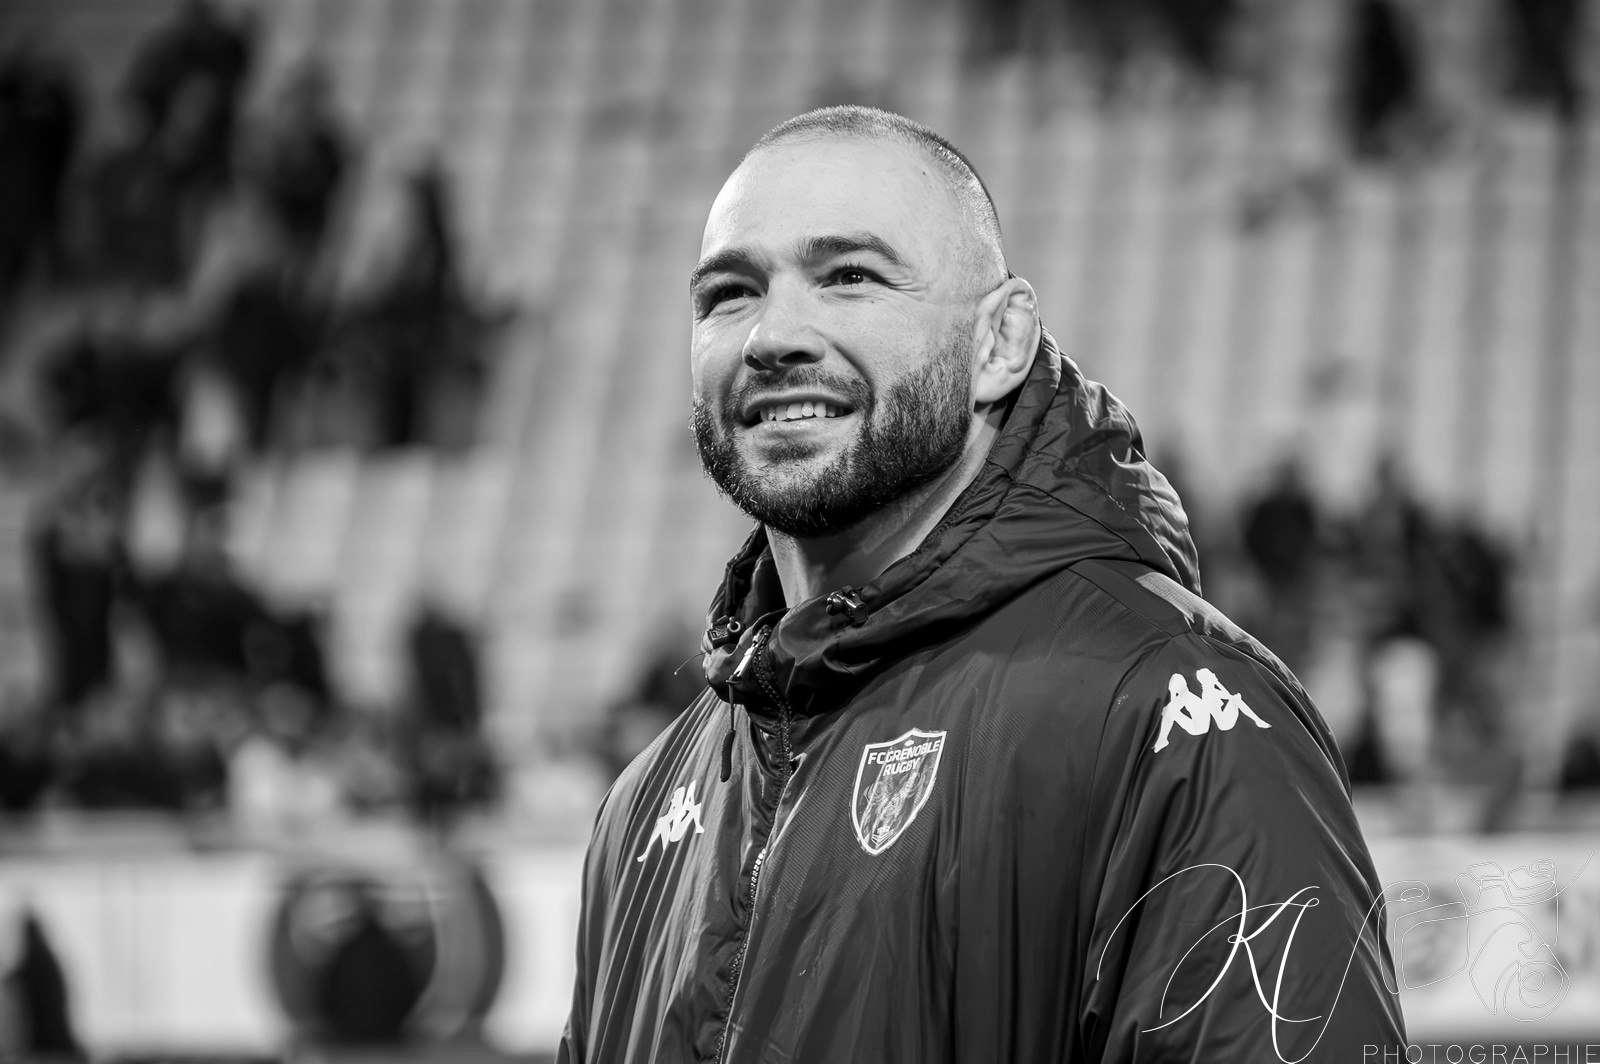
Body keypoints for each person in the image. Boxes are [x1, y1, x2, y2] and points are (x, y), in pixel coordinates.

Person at [558, 106, 1404, 1063]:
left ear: (1000, 342)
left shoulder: (1171, 713)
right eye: (729, 293)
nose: (773, 335)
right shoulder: (642, 808)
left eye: (849, 277)